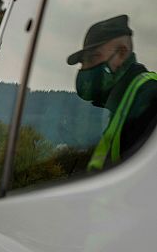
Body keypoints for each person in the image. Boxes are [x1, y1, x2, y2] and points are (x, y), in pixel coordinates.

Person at [67, 15, 157, 171]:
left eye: (93, 57)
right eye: (83, 63)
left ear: (122, 53)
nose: (85, 68)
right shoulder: (124, 103)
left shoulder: (148, 99)